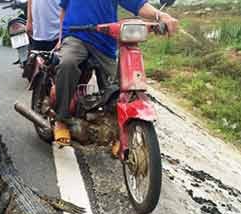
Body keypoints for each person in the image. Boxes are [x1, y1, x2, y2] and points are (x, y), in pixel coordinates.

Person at [54, 0, 179, 146]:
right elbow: (63, 10)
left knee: (118, 88)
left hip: (104, 42)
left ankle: (115, 131)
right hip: (76, 36)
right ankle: (61, 119)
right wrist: (61, 38)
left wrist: (160, 15)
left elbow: (138, 4)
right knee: (67, 64)